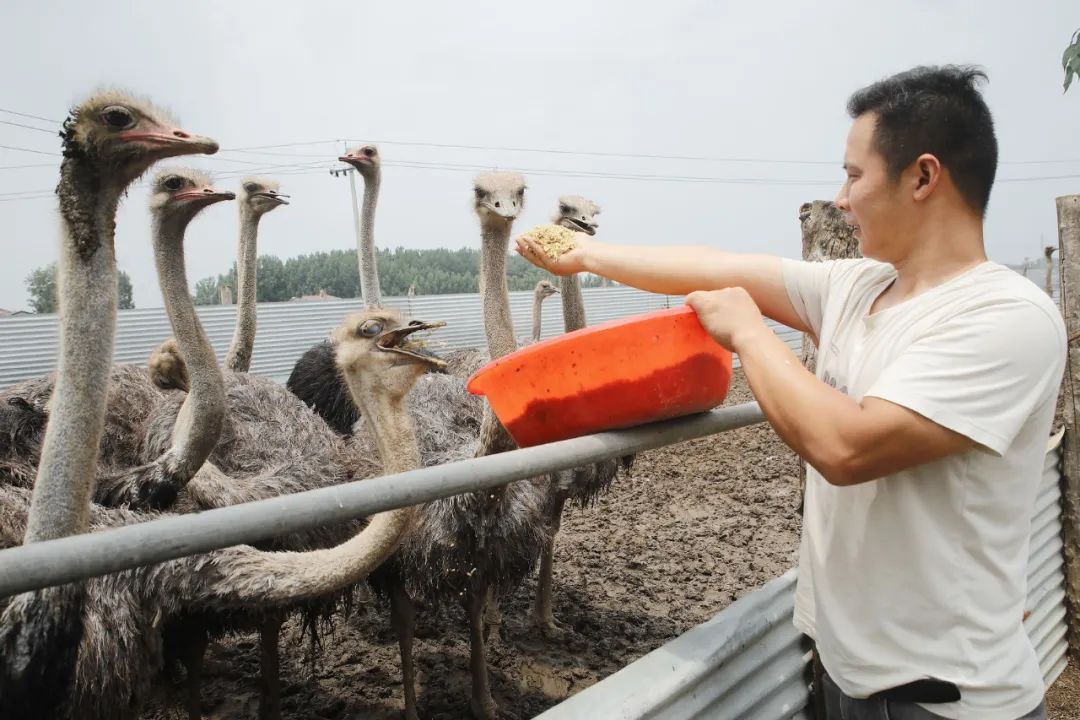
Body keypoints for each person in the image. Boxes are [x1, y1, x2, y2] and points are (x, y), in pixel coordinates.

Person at [516, 65, 1064, 720]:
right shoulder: (859, 287)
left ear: (923, 177)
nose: (842, 198)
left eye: (854, 175)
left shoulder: (1005, 318)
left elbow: (847, 446)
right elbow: (716, 266)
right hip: (847, 674)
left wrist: (750, 333)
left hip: (944, 701)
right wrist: (586, 256)